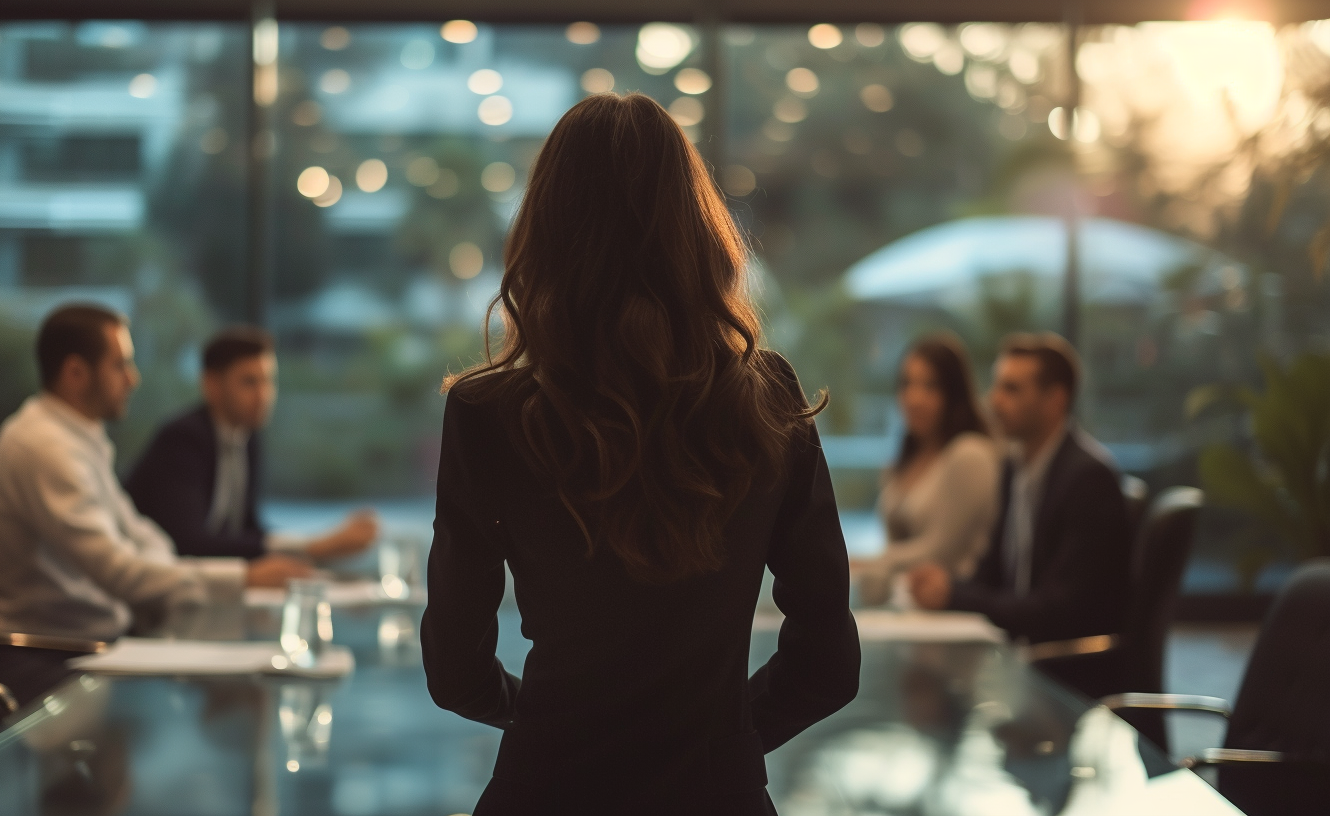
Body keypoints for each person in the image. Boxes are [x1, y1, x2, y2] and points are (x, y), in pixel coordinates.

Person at [420, 93, 860, 815]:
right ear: (695, 229)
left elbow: (454, 672)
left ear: (546, 226)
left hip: (547, 790)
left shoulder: (488, 413)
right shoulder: (765, 396)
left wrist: (551, 729)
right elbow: (829, 666)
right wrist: (725, 740)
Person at [0, 304, 313, 701]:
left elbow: (141, 535)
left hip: (86, 644)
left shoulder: (77, 439)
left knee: (217, 693)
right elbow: (121, 573)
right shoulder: (46, 448)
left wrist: (178, 573)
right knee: (200, 709)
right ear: (75, 374)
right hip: (45, 658)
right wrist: (243, 578)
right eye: (120, 365)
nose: (133, 379)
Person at [907, 332, 1132, 696]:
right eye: (997, 386)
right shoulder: (1016, 468)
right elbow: (994, 574)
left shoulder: (1088, 479)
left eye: (1011, 390)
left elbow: (1058, 609)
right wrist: (948, 586)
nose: (994, 400)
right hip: (1020, 668)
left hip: (1066, 678)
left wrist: (956, 597)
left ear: (1055, 401)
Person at [125, 326, 378, 562]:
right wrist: (314, 547)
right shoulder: (183, 439)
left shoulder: (246, 437)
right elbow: (189, 544)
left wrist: (307, 550)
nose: (264, 395)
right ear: (211, 385)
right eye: (249, 382)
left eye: (268, 381)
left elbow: (248, 530)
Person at [853, 334, 1000, 606]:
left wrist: (865, 562)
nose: (914, 398)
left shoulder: (970, 453)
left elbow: (940, 551)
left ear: (953, 393)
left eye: (930, 386)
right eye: (907, 384)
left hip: (957, 610)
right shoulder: (905, 457)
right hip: (910, 609)